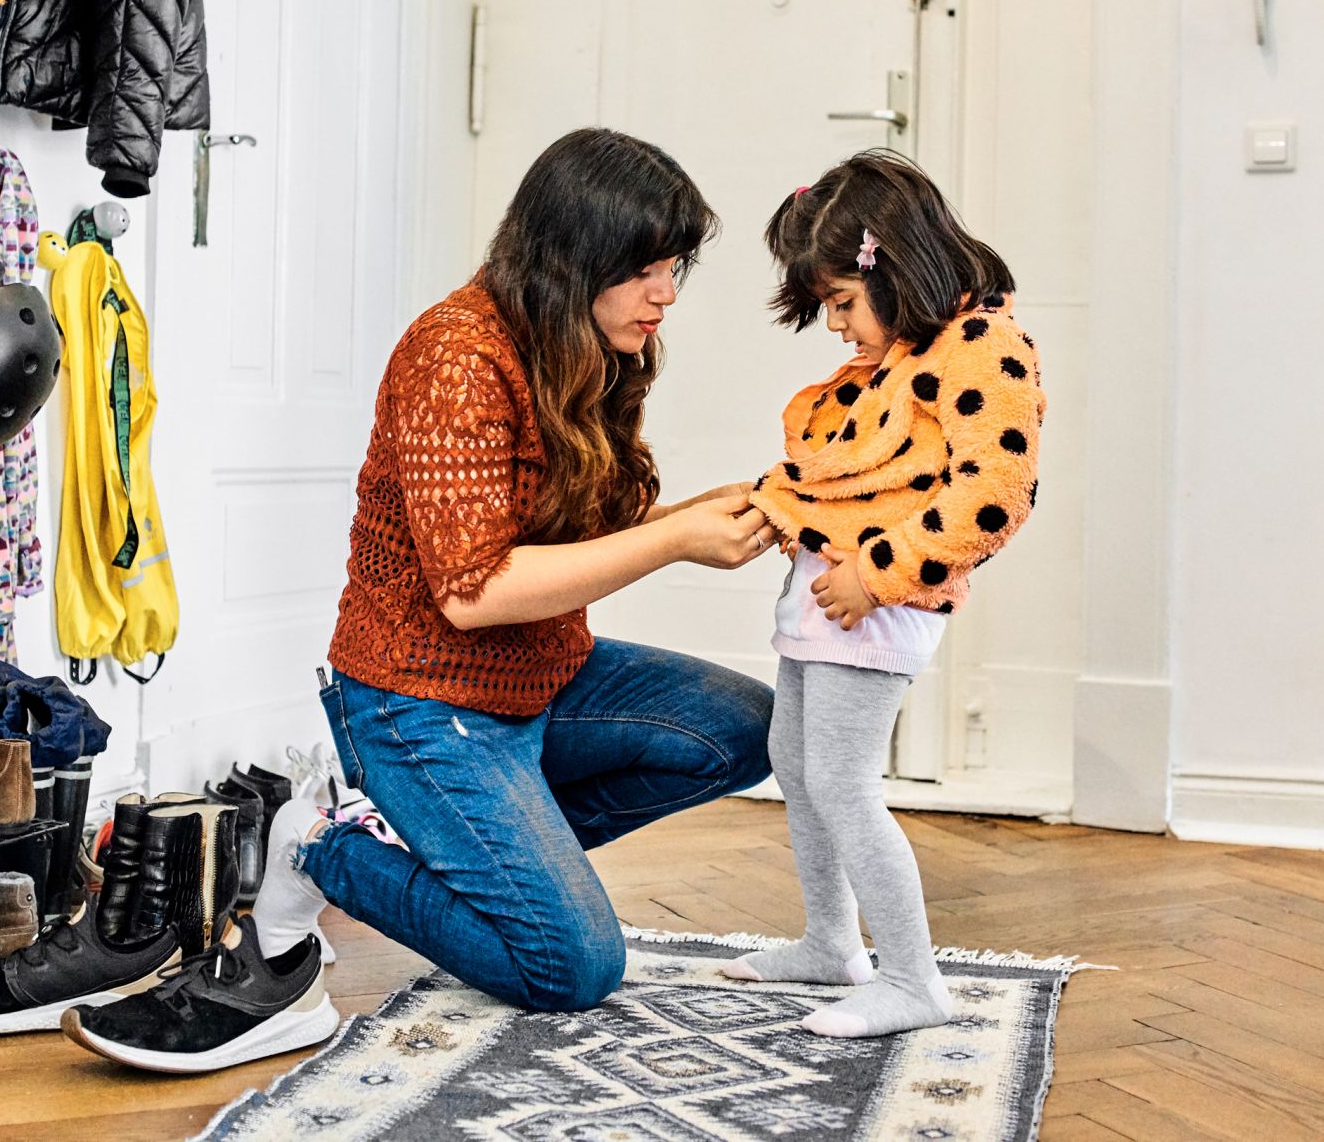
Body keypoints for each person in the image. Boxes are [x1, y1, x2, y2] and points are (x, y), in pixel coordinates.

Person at [251, 128, 778, 1012]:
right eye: (646, 269)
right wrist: (677, 541)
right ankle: (322, 844)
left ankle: (490, 863)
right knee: (571, 970)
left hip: (539, 678)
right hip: (417, 699)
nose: (667, 295)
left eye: (675, 266)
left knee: (751, 726)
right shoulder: (455, 357)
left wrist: (711, 508)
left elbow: (589, 537)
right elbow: (474, 594)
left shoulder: (586, 349)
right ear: (578, 256)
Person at [721, 149, 1045, 1038]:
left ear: (893, 267)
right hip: (829, 600)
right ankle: (833, 944)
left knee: (843, 780)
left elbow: (993, 495)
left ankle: (913, 978)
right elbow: (848, 464)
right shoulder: (906, 353)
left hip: (877, 603)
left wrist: (879, 572)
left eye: (840, 304)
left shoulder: (984, 347)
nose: (835, 328)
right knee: (796, 762)